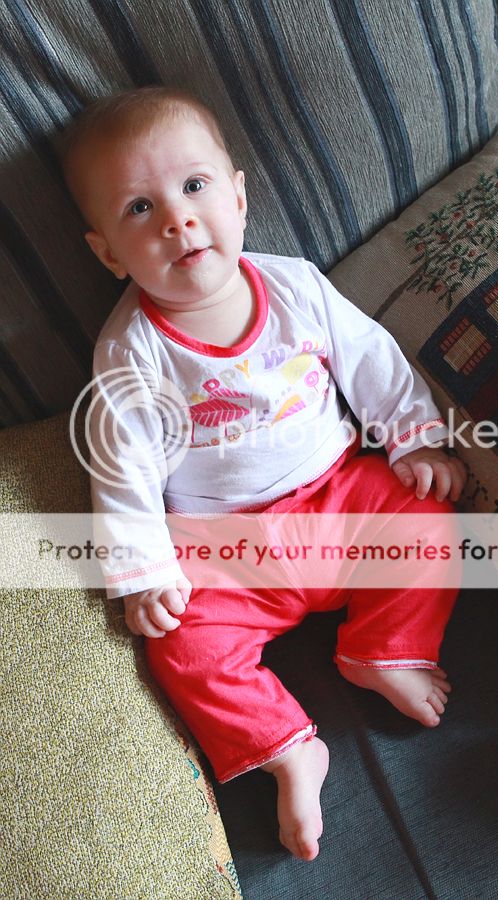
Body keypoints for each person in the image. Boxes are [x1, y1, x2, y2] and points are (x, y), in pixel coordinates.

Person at [61, 86, 466, 862]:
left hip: (340, 496)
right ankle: (287, 748)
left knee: (427, 513)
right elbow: (122, 468)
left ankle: (384, 649)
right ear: (108, 252)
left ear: (239, 198)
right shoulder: (130, 351)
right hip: (222, 546)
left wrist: (413, 439)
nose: (178, 219)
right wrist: (144, 570)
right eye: (140, 208)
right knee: (179, 646)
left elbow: (370, 359)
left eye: (194, 186)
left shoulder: (294, 286)